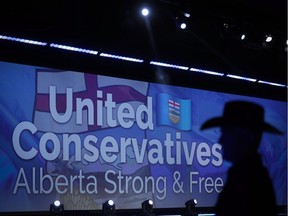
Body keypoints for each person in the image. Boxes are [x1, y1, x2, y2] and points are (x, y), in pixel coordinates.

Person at [200, 100, 282, 216]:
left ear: (245, 138)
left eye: (226, 134)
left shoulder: (248, 182)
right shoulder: (248, 176)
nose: (220, 140)